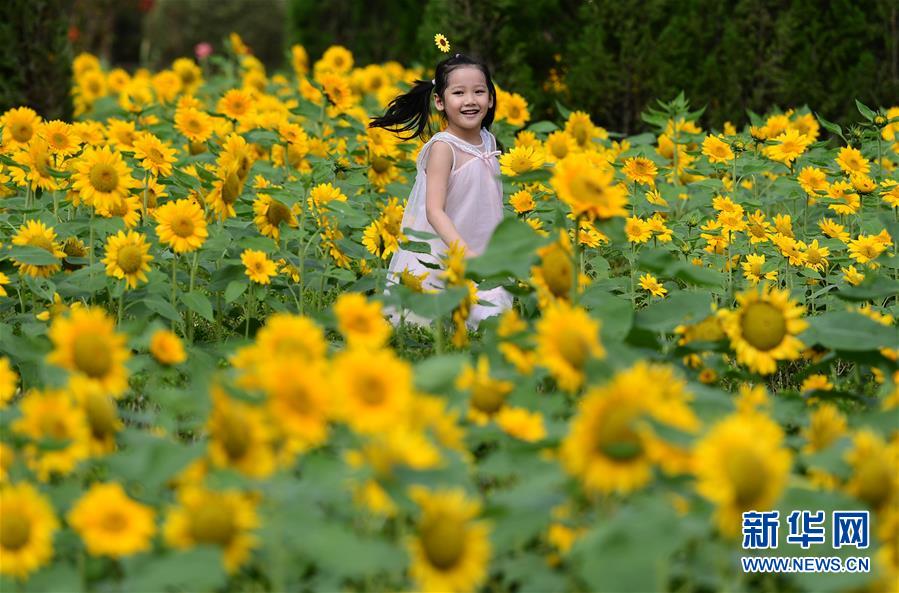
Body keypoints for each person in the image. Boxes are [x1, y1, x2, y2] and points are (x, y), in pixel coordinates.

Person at [369, 53, 513, 329]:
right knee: (432, 319)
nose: (470, 100)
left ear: (491, 98)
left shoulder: (488, 140)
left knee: (495, 318)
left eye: (479, 92)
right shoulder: (443, 148)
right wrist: (464, 253)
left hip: (483, 254)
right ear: (440, 101)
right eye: (459, 93)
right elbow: (434, 211)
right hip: (445, 256)